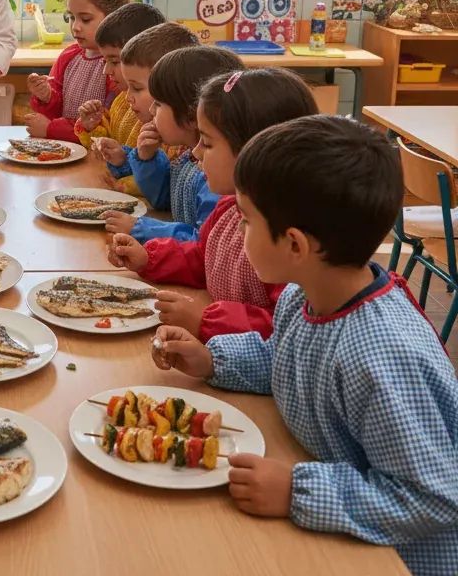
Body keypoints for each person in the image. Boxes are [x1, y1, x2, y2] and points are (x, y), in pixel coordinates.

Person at [152, 115, 458, 576]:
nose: (236, 231)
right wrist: (212, 358)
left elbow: (432, 497)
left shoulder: (381, 356)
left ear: (294, 244)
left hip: (396, 557)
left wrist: (298, 489)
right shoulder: (305, 294)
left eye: (246, 220)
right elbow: (286, 360)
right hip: (328, 513)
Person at [109, 68, 317, 340]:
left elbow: (284, 329)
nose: (195, 153)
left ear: (254, 149)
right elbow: (205, 258)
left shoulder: (287, 239)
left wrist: (205, 320)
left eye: (206, 143)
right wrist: (150, 258)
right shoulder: (229, 209)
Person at [106, 44, 241, 243]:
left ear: (189, 116)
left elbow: (202, 243)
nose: (152, 110)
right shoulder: (188, 155)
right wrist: (147, 159)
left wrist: (140, 229)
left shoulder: (217, 177)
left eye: (159, 104)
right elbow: (164, 200)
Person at [88, 17, 197, 199]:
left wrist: (143, 227)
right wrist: (124, 158)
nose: (128, 97)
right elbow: (163, 189)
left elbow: (168, 196)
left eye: (137, 88)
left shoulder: (190, 149)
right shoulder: (162, 131)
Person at [25, 0, 131, 142]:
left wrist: (50, 129)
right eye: (71, 18)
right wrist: (47, 96)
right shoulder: (68, 56)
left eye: (86, 19)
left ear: (114, 18)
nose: (75, 27)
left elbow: (109, 126)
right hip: (67, 150)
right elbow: (56, 110)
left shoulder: (116, 65)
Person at [75, 2, 166, 149]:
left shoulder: (159, 117)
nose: (106, 70)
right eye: (105, 61)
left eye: (115, 61)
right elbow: (110, 145)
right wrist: (92, 126)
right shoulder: (121, 101)